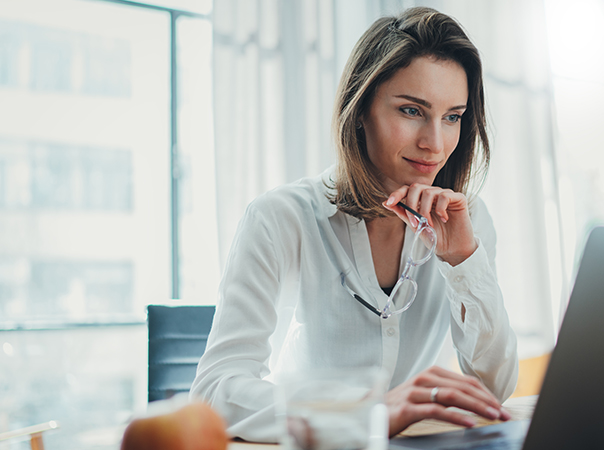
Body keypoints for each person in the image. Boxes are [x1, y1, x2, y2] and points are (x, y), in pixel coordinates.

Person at [190, 6, 518, 442]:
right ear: (360, 109)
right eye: (411, 110)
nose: (434, 144)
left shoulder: (466, 220)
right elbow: (215, 391)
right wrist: (365, 412)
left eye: (452, 117)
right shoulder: (281, 217)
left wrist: (463, 261)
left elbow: (493, 388)